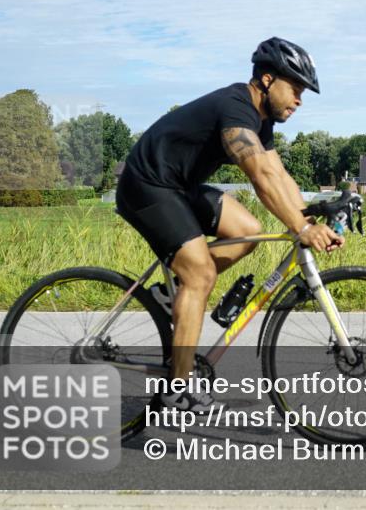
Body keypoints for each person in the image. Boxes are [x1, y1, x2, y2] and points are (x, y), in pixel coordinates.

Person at [115, 37, 344, 413]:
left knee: (247, 230)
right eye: (296, 89)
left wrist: (307, 217)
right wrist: (301, 230)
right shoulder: (234, 107)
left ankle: (170, 296)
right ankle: (177, 388)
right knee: (200, 275)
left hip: (179, 186)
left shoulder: (259, 119)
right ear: (268, 80)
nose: (300, 99)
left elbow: (278, 173)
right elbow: (259, 176)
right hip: (146, 186)